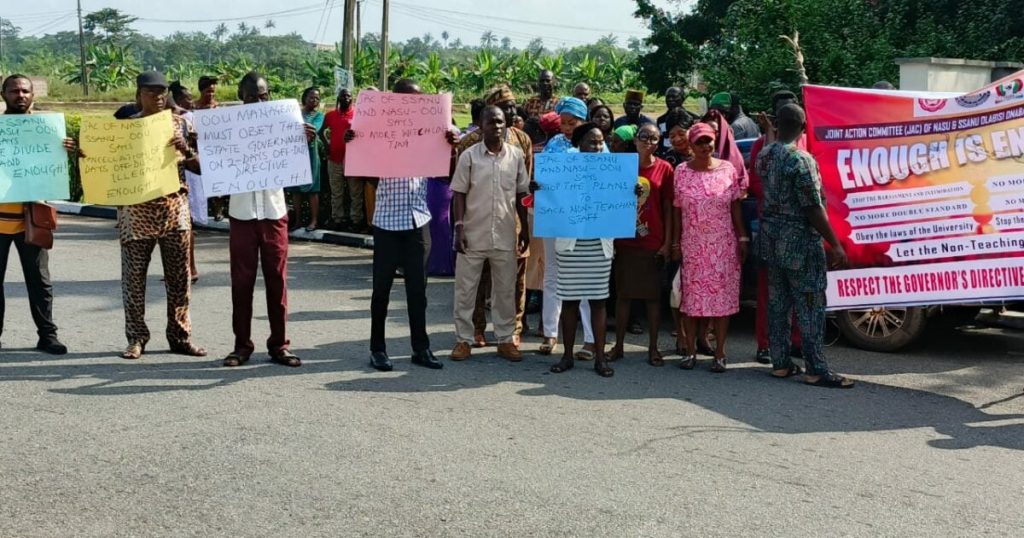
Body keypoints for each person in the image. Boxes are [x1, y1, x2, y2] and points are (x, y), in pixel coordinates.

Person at [347, 78, 453, 372]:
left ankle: (421, 348)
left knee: (418, 292)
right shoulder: (379, 130)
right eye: (409, 99)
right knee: (381, 290)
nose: (415, 104)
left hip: (418, 221)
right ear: (395, 100)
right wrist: (354, 143)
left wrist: (451, 142)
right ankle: (377, 349)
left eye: (419, 99)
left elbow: (450, 148)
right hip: (387, 223)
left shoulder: (433, 130)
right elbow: (364, 173)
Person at [108, 71, 206, 360]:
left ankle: (180, 336)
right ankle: (136, 338)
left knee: (180, 279)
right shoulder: (124, 128)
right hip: (135, 213)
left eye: (162, 92)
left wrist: (184, 150)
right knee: (134, 280)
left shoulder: (181, 124)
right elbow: (105, 166)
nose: (158, 97)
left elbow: (202, 167)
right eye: (151, 92)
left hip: (174, 211)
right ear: (138, 95)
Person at [756, 104, 854, 388]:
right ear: (803, 127)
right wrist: (834, 244)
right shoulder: (801, 159)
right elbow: (812, 206)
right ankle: (816, 368)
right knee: (810, 305)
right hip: (799, 243)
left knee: (778, 304)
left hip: (771, 241)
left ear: (777, 123)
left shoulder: (764, 155)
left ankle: (781, 363)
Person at [221, 71, 309, 368]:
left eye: (263, 95)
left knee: (277, 281)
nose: (258, 102)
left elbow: (297, 162)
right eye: (251, 97)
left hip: (273, 212)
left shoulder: (285, 124)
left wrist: (304, 140)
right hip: (242, 214)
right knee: (241, 283)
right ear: (240, 98)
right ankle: (241, 345)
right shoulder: (228, 127)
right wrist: (204, 146)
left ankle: (279, 345)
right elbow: (213, 165)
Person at [450, 106, 530, 362]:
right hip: (472, 233)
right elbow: (459, 193)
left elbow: (521, 195)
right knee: (466, 289)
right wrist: (459, 226)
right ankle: (464, 340)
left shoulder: (516, 156)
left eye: (500, 122)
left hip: (505, 233)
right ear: (480, 125)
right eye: (491, 122)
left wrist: (525, 229)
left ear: (506, 124)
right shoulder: (469, 156)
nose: (496, 126)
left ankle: (505, 340)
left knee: (505, 291)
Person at [0, 74, 71, 355]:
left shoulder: (48, 131)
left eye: (25, 91)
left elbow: (61, 168)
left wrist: (68, 150)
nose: (20, 95)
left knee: (39, 280)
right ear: (3, 94)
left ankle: (47, 336)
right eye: (14, 90)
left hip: (32, 218)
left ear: (33, 95)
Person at [672, 122, 748, 373]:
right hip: (693, 246)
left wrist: (742, 238)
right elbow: (676, 209)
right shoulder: (681, 171)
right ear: (691, 145)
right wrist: (675, 242)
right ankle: (691, 352)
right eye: (700, 142)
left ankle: (720, 353)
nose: (705, 146)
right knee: (692, 301)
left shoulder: (727, 169)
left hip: (723, 245)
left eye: (709, 141)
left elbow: (735, 206)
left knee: (722, 301)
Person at [547, 123, 616, 378]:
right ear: (579, 144)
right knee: (570, 301)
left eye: (599, 142)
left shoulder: (613, 169)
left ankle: (600, 358)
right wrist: (539, 191)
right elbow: (550, 194)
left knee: (599, 301)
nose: (597, 147)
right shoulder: (564, 165)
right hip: (571, 244)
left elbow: (619, 202)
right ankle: (567, 356)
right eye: (591, 142)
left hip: (599, 245)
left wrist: (633, 193)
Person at [608, 123, 673, 366]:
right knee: (623, 296)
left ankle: (654, 348)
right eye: (644, 137)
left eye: (654, 139)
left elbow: (668, 208)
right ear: (635, 140)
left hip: (652, 240)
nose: (649, 142)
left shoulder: (665, 169)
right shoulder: (622, 166)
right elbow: (610, 200)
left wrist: (667, 243)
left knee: (653, 298)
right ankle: (619, 346)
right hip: (625, 239)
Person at [749, 90, 804, 364]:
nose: (784, 118)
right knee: (768, 290)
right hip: (770, 228)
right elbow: (756, 184)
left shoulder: (807, 145)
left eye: (789, 111)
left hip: (800, 232)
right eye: (780, 113)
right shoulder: (762, 147)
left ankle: (795, 342)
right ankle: (765, 343)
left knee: (797, 289)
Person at [538, 96, 596, 359]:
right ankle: (550, 334)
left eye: (572, 123)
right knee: (552, 275)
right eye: (563, 122)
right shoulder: (554, 145)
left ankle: (590, 339)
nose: (567, 128)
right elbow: (545, 179)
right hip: (556, 220)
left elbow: (608, 184)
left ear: (583, 121)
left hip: (585, 223)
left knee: (584, 280)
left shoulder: (598, 147)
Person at [168, 80, 201, 282]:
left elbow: (197, 164)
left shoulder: (184, 122)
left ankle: (191, 268)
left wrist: (188, 145)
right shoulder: (138, 122)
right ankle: (179, 270)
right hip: (152, 191)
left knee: (185, 228)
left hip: (179, 186)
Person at [288, 87, 325, 232]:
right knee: (295, 189)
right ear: (304, 98)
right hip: (296, 155)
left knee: (312, 189)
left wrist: (297, 130)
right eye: (311, 97)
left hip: (311, 155)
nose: (314, 100)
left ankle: (314, 221)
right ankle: (297, 221)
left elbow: (312, 130)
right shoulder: (294, 113)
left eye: (317, 98)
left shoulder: (319, 116)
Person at [321, 88, 357, 231]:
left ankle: (356, 220)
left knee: (355, 192)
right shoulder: (330, 115)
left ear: (352, 98)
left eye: (348, 96)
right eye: (343, 96)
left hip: (353, 160)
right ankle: (338, 219)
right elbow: (321, 131)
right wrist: (326, 145)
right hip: (334, 158)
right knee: (337, 191)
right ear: (338, 98)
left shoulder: (357, 114)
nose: (346, 98)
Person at [656, 87, 685, 151]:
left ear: (683, 99)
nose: (670, 99)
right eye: (668, 97)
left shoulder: (692, 118)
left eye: (674, 96)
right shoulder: (661, 120)